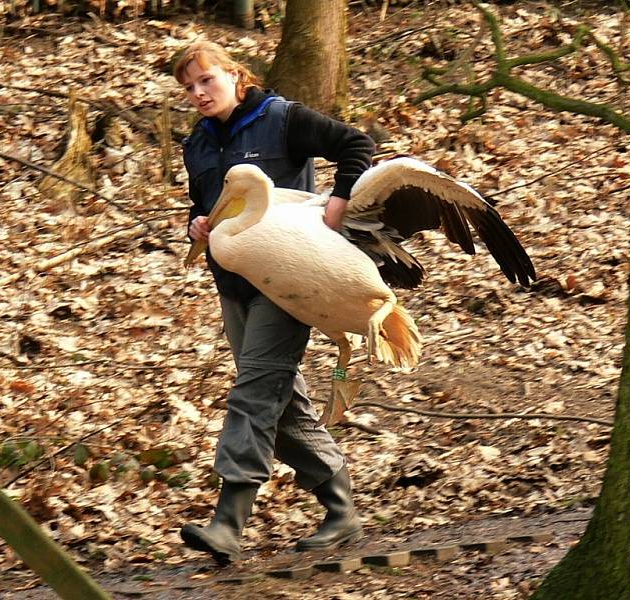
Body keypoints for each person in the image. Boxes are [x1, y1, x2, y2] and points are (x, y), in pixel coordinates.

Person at [173, 40, 376, 564]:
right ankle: (341, 507)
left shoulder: (280, 118)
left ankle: (228, 522)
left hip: (288, 283)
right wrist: (197, 225)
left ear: (235, 76)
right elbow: (208, 208)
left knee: (255, 394)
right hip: (232, 283)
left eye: (207, 80)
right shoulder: (197, 143)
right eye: (189, 87)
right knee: (278, 400)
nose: (198, 93)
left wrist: (337, 203)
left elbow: (357, 145)